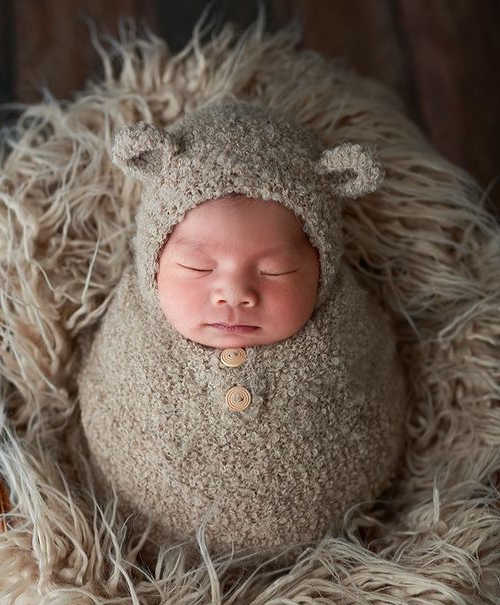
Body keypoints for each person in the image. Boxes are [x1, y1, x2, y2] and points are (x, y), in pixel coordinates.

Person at [76, 100, 407, 564]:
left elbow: (372, 406)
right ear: (152, 262)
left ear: (321, 268)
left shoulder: (347, 328)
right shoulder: (135, 333)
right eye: (196, 266)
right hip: (149, 554)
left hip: (337, 557)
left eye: (275, 270)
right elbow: (114, 406)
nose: (234, 293)